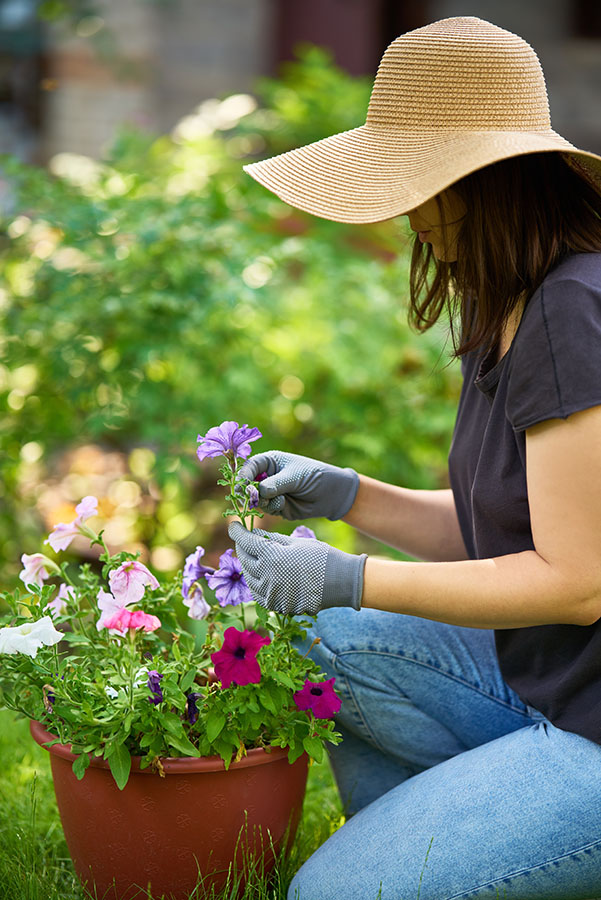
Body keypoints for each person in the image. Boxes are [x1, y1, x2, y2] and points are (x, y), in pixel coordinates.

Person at [229, 16, 601, 900]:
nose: (404, 211)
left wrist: (347, 576)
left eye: (414, 184)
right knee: (326, 636)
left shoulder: (571, 309)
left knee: (325, 896)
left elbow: (576, 578)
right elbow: (502, 532)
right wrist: (349, 495)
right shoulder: (510, 303)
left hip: (592, 728)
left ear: (480, 182)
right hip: (551, 684)